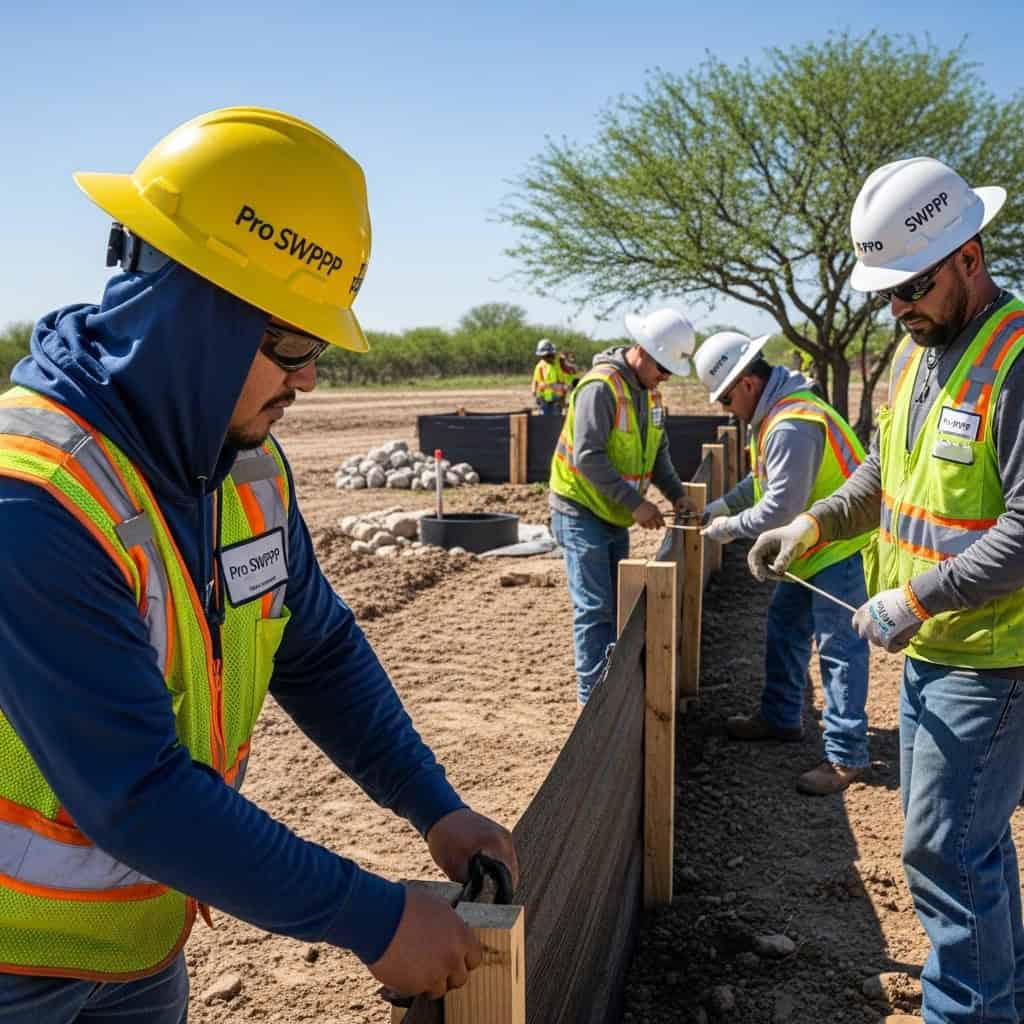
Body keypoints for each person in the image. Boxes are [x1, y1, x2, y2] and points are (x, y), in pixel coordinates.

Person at [0, 107, 517, 1023]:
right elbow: (136, 791)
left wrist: (432, 805)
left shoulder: (243, 468)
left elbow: (313, 649)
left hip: (136, 950)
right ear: (197, 317)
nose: (309, 379)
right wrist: (373, 916)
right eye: (292, 346)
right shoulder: (33, 502)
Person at [749, 157, 1023, 1024]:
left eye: (913, 285)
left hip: (988, 659)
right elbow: (882, 470)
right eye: (887, 292)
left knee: (945, 855)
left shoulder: (1015, 361)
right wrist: (817, 524)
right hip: (931, 654)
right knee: (967, 848)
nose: (898, 306)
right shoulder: (918, 355)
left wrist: (918, 599)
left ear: (970, 256)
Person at [686, 332, 875, 795]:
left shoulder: (792, 420)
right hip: (812, 543)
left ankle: (846, 756)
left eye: (727, 397)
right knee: (785, 626)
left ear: (748, 383)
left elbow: (779, 510)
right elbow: (762, 479)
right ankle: (781, 716)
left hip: (841, 544)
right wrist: (722, 505)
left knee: (840, 648)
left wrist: (728, 528)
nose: (727, 407)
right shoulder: (775, 414)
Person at [549, 307, 694, 708]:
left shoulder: (651, 393)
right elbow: (589, 457)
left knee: (616, 607)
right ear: (643, 351)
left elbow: (657, 451)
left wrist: (675, 492)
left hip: (612, 512)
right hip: (580, 509)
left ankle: (610, 691)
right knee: (595, 609)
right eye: (663, 367)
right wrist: (637, 505)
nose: (665, 376)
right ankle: (591, 705)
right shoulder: (601, 388)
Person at [531, 338, 567, 415]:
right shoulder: (539, 366)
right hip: (543, 400)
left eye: (548, 355)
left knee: (555, 422)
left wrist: (562, 399)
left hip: (556, 400)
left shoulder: (557, 366)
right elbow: (535, 380)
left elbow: (562, 383)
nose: (545, 358)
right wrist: (534, 394)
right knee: (545, 421)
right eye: (543, 356)